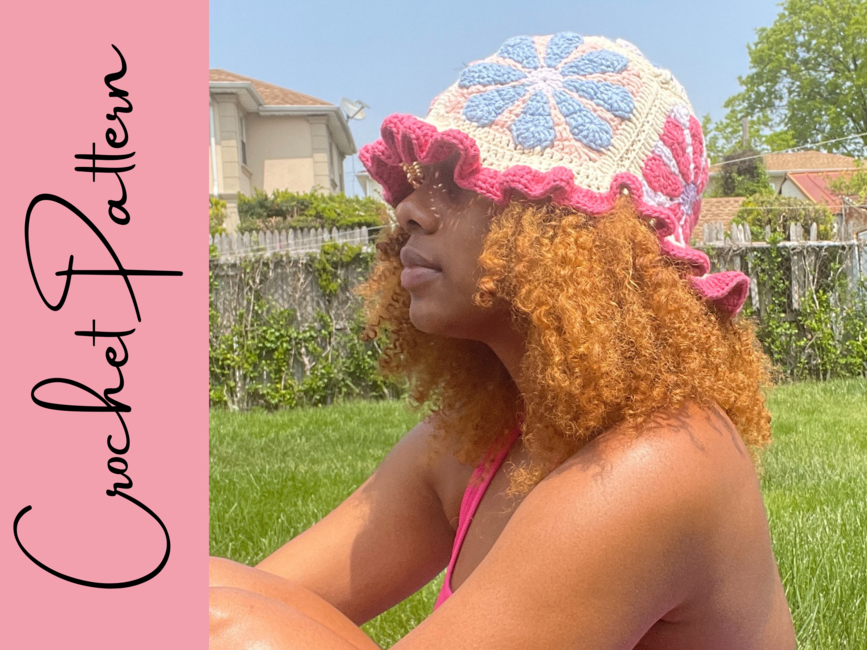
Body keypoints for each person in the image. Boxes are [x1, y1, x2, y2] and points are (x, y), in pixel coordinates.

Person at [209, 33, 796, 649]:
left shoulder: (661, 461)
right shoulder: (476, 445)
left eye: (461, 179)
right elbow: (251, 594)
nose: (408, 209)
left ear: (573, 230)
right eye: (420, 178)